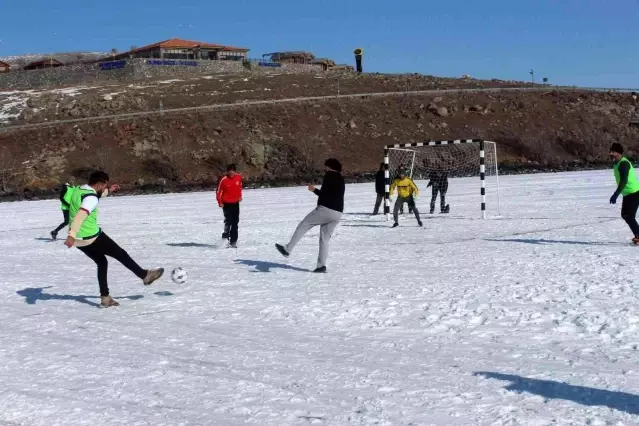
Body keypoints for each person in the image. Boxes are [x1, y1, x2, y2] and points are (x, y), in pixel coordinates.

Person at [64, 171, 164, 308]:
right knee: (120, 254)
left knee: (102, 262)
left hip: (79, 241)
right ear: (99, 184)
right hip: (90, 236)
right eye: (105, 185)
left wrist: (107, 192)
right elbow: (81, 214)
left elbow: (91, 198)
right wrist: (71, 234)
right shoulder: (91, 198)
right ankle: (144, 275)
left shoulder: (78, 190)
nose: (105, 187)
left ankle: (105, 298)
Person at [275, 158, 345, 273]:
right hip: (338, 213)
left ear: (330, 167)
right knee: (324, 240)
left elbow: (324, 195)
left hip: (326, 209)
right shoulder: (341, 179)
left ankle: (288, 249)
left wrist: (314, 190)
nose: (324, 169)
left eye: (326, 166)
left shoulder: (329, 175)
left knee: (304, 224)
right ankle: (321, 266)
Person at [609, 143, 639, 244]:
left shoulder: (623, 164)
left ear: (619, 153)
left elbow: (624, 180)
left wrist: (616, 194)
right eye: (610, 151)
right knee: (626, 215)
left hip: (634, 193)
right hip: (627, 193)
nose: (611, 153)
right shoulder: (617, 163)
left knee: (628, 216)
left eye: (613, 152)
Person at [216, 163, 243, 248]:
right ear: (227, 172)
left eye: (233, 171)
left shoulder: (239, 177)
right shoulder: (224, 180)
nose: (231, 173)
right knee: (228, 222)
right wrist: (220, 202)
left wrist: (240, 196)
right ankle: (225, 240)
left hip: (235, 203)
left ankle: (233, 241)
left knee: (235, 222)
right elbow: (218, 192)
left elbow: (239, 187)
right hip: (226, 203)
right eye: (229, 171)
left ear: (235, 171)